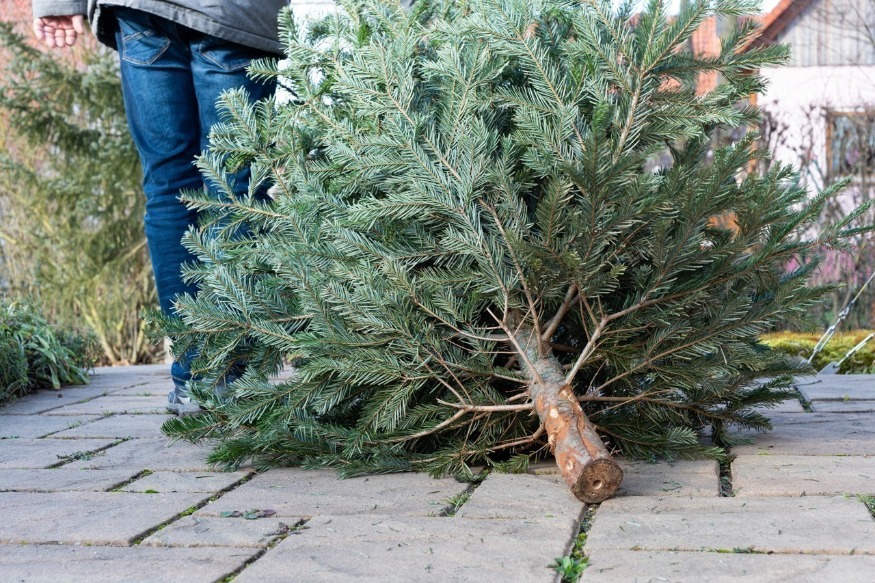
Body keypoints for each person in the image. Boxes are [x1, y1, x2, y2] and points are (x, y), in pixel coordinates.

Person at [32, 0, 288, 414]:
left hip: (144, 9)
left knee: (170, 187)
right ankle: (227, 377)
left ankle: (192, 377)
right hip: (234, 14)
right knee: (235, 186)